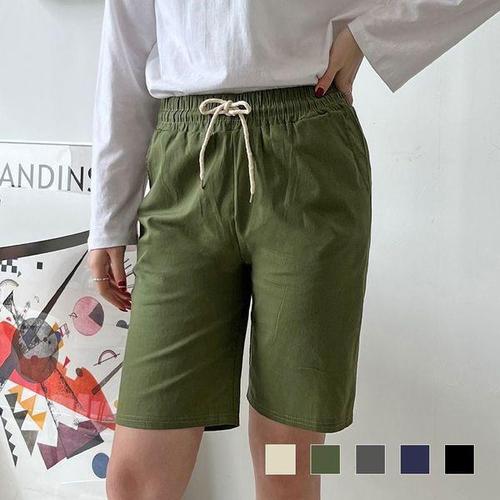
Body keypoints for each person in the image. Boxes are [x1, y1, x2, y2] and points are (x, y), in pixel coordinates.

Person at [86, 2, 500, 499]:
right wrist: (109, 217)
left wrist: (370, 34)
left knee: (288, 460)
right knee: (135, 475)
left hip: (308, 154)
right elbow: (125, 47)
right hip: (185, 161)